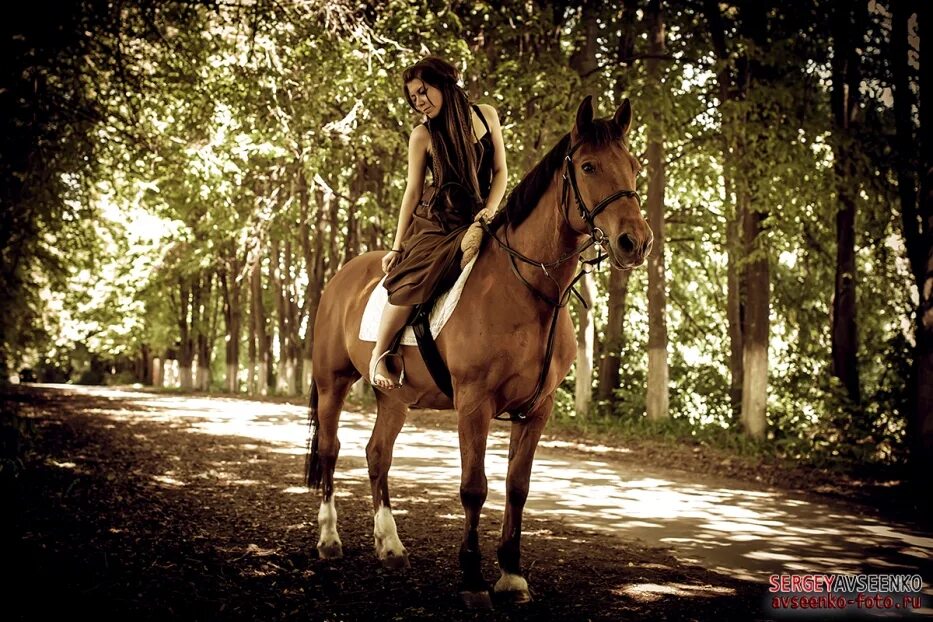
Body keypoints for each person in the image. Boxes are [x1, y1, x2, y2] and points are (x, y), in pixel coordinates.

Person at [369, 56, 508, 390]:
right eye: (413, 97)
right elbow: (413, 190)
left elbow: (501, 171)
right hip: (437, 222)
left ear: (444, 83)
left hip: (480, 216)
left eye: (422, 91)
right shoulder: (422, 135)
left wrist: (490, 209)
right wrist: (397, 245)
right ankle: (379, 355)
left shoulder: (486, 114)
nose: (418, 101)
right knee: (413, 277)